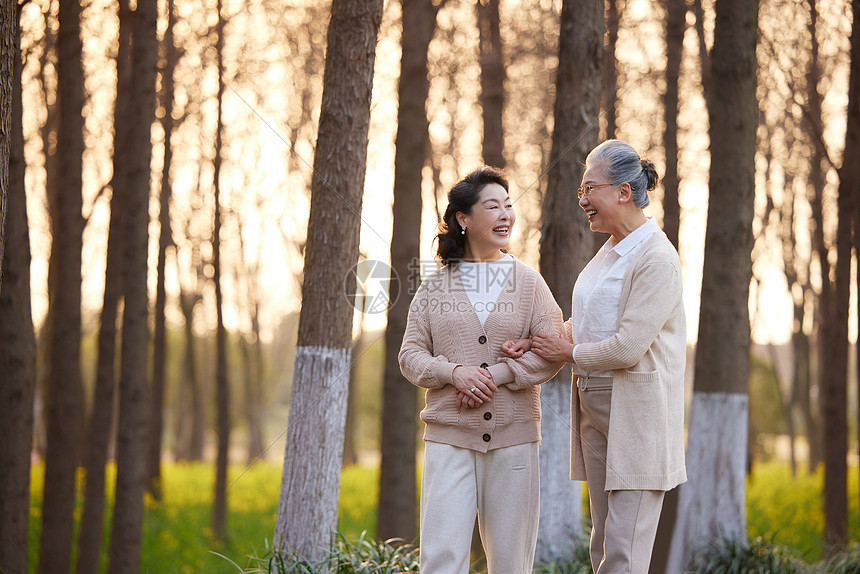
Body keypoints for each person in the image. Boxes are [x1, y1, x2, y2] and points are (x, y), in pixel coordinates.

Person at [503, 140, 687, 573]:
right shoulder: (609, 253)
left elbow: (626, 346)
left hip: (636, 418)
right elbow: (588, 322)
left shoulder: (656, 258)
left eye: (590, 189)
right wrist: (537, 340)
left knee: (623, 554)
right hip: (596, 410)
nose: (582, 200)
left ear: (624, 191)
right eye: (580, 192)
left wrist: (567, 352)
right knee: (602, 546)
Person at [399, 166, 565, 574]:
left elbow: (553, 350)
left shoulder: (530, 283)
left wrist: (498, 375)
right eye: (493, 206)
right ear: (463, 219)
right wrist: (455, 373)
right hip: (448, 439)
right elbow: (410, 355)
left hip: (514, 440)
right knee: (440, 560)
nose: (506, 215)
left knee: (511, 564)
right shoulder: (433, 287)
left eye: (509, 206)